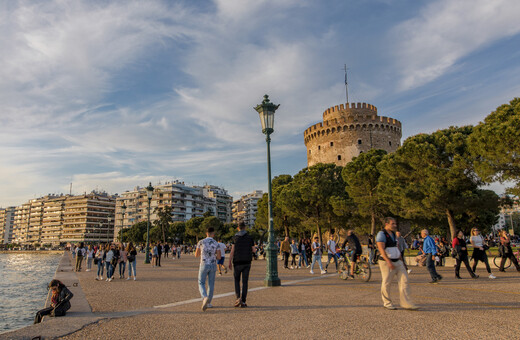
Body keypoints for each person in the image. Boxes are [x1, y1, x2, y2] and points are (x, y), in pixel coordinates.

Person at [376, 217, 417, 310]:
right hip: (386, 261)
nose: (395, 225)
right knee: (387, 282)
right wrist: (388, 261)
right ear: (386, 224)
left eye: (395, 223)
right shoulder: (381, 234)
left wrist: (401, 260)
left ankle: (406, 303)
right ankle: (387, 302)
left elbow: (396, 247)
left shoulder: (394, 234)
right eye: (392, 224)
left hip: (397, 260)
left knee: (404, 280)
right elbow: (381, 249)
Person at [228, 222, 255, 308]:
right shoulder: (250, 238)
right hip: (247, 262)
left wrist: (229, 261)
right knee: (245, 282)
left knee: (236, 280)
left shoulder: (235, 238)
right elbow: (254, 250)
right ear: (245, 228)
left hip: (237, 262)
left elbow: (232, 251)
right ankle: (243, 301)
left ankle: (237, 298)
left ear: (238, 228)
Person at [195, 227, 221, 311]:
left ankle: (204, 297)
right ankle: (209, 302)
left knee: (201, 282)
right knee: (211, 284)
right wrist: (213, 256)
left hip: (204, 264)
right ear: (213, 233)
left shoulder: (201, 242)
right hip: (213, 264)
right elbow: (219, 256)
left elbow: (196, 254)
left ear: (206, 233)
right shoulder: (216, 243)